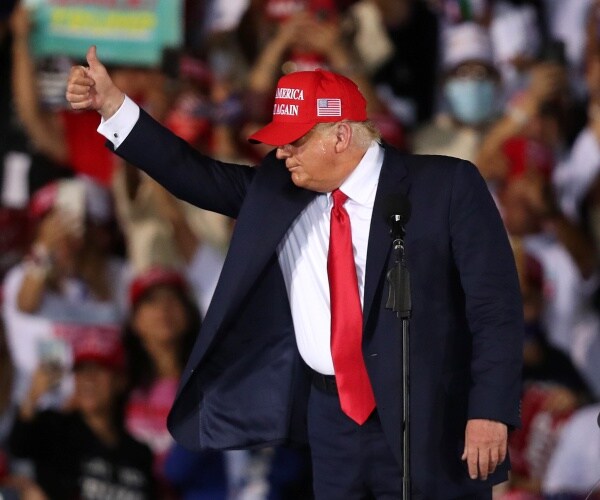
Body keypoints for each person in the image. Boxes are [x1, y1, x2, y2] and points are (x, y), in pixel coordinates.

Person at [65, 46, 524, 499]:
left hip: (428, 417)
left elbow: (495, 309)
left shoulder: (444, 186)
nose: (283, 152)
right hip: (331, 419)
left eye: (296, 139)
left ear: (341, 136)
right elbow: (193, 174)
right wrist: (114, 108)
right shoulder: (277, 190)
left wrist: (490, 411)